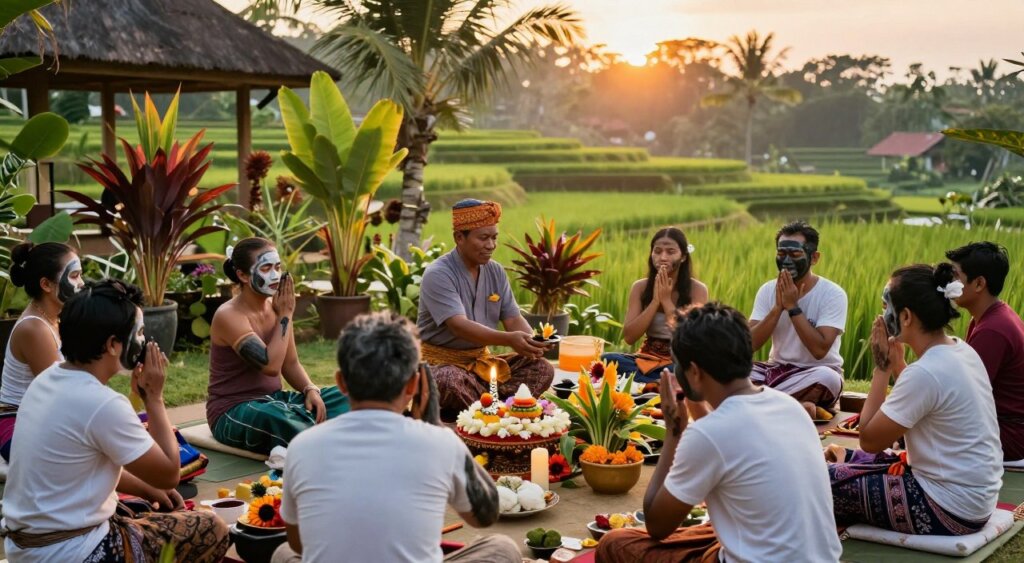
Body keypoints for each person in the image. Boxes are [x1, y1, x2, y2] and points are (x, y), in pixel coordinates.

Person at [1, 279, 229, 562]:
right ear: (112, 344)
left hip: (24, 550)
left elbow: (91, 462)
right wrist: (153, 399)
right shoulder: (101, 403)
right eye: (141, 332)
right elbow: (170, 473)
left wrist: (147, 490)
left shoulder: (48, 379)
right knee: (212, 528)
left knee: (142, 506)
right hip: (74, 552)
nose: (144, 341)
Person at [598, 302, 842, 563]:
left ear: (693, 371)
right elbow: (728, 439)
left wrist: (674, 433)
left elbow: (657, 526)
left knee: (615, 544)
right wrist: (694, 403)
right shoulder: (788, 405)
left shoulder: (707, 434)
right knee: (711, 528)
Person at [271, 312, 520, 563]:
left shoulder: (302, 446)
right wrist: (435, 426)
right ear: (412, 385)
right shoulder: (439, 442)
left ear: (341, 383)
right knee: (502, 548)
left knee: (283, 552)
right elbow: (486, 514)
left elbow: (299, 544)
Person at [827, 263, 1002, 535]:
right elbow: (929, 397)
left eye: (887, 306)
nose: (884, 314)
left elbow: (870, 439)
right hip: (975, 500)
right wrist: (899, 365)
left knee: (817, 481)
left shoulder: (925, 372)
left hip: (947, 509)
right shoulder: (961, 349)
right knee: (858, 460)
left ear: (906, 316)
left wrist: (882, 367)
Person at [207, 238, 348, 455]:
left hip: (275, 401)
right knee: (279, 418)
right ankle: (326, 440)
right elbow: (270, 365)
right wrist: (286, 315)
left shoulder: (276, 309)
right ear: (242, 275)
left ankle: (318, 429)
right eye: (265, 268)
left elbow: (290, 363)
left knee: (351, 396)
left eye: (278, 267)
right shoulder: (229, 315)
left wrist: (310, 389)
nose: (275, 275)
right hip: (233, 412)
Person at [417, 199, 554, 413]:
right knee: (447, 381)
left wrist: (533, 343)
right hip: (441, 366)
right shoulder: (438, 274)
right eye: (483, 238)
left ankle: (492, 410)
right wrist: (509, 339)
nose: (490, 245)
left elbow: (513, 319)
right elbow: (458, 326)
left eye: (494, 238)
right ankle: (492, 413)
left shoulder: (495, 271)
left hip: (481, 366)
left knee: (542, 368)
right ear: (459, 238)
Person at [749, 220, 847, 415]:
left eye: (794, 254)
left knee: (828, 378)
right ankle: (793, 406)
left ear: (814, 257)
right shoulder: (768, 290)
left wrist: (793, 307)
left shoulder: (833, 294)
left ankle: (758, 401)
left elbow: (819, 350)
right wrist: (777, 309)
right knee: (731, 369)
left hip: (814, 372)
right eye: (781, 254)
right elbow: (748, 344)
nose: (786, 261)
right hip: (775, 371)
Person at [0, 242, 84, 461]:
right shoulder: (34, 329)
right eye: (74, 276)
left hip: (45, 417)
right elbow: (61, 395)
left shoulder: (56, 318)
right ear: (46, 284)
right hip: (17, 426)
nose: (82, 283)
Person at [946, 242, 1024, 461]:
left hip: (1010, 435)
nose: (949, 283)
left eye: (955, 277)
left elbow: (964, 398)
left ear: (979, 283)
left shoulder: (993, 330)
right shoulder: (991, 316)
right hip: (1001, 426)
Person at [601, 227, 708, 383]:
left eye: (670, 252)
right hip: (646, 358)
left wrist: (666, 301)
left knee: (684, 372)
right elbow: (630, 337)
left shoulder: (697, 290)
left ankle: (646, 383)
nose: (663, 257)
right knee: (606, 360)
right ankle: (655, 383)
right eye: (657, 251)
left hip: (678, 361)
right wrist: (655, 301)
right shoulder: (640, 287)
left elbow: (689, 339)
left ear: (683, 256)